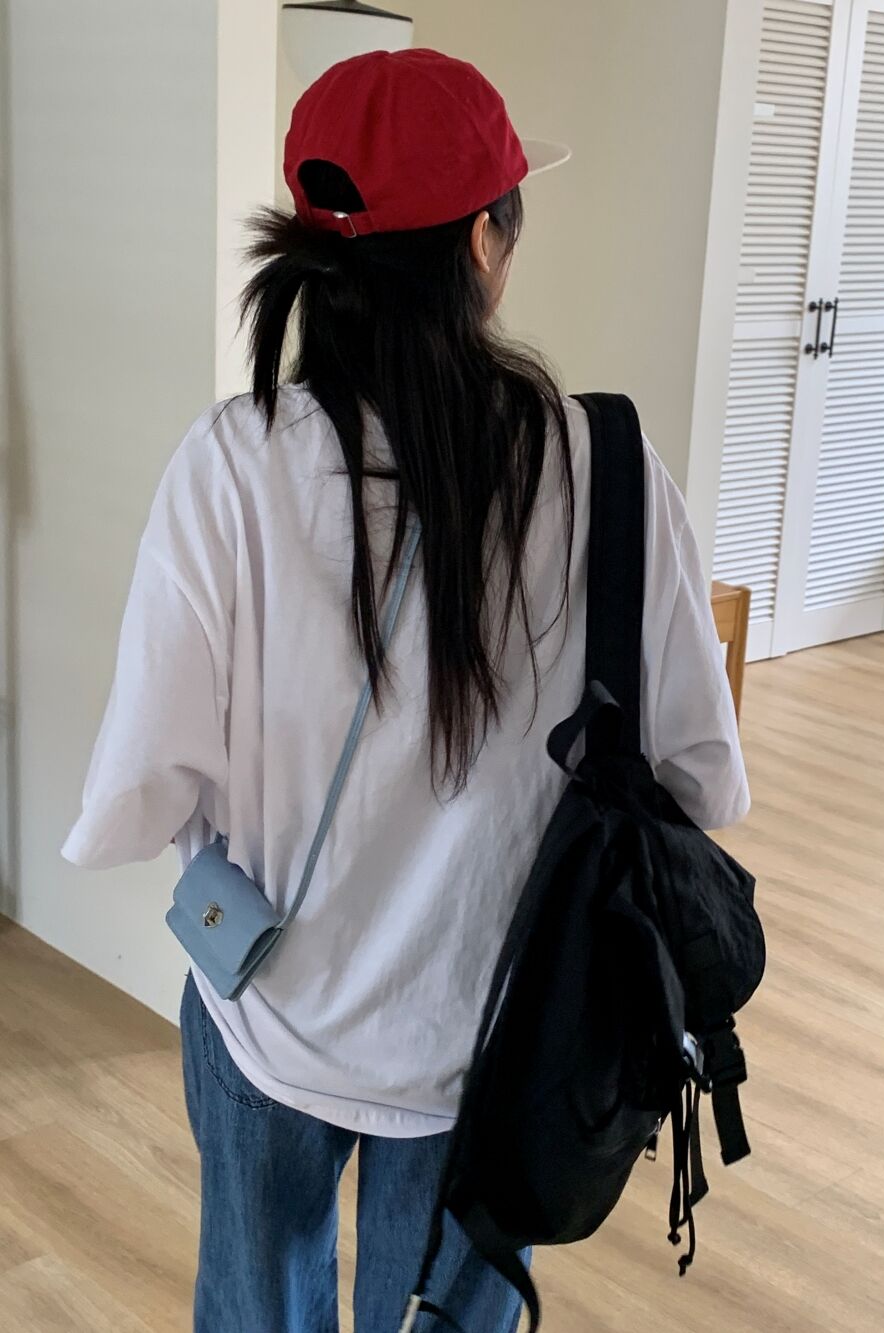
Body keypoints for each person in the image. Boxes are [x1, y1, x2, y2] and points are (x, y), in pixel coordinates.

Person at [63, 48, 750, 1333]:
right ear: (484, 243)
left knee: (255, 1309)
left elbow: (141, 791)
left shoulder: (231, 464)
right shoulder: (603, 465)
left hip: (269, 1011)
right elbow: (700, 776)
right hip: (499, 1042)